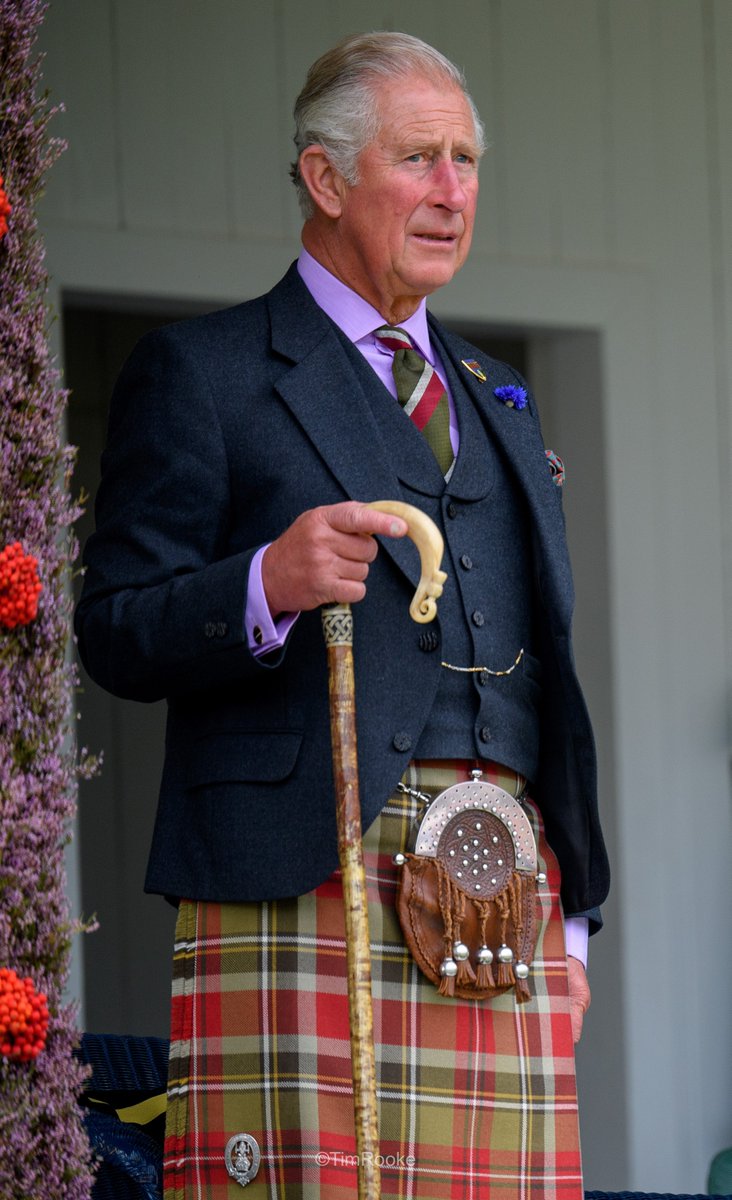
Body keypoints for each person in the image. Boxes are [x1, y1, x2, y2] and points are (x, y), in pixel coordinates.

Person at [75, 30, 609, 1200]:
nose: (453, 192)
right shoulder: (206, 372)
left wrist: (573, 925)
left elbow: (547, 685)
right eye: (419, 158)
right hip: (305, 882)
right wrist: (260, 583)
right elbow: (113, 625)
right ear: (325, 180)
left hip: (503, 893)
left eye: (467, 160)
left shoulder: (496, 398)